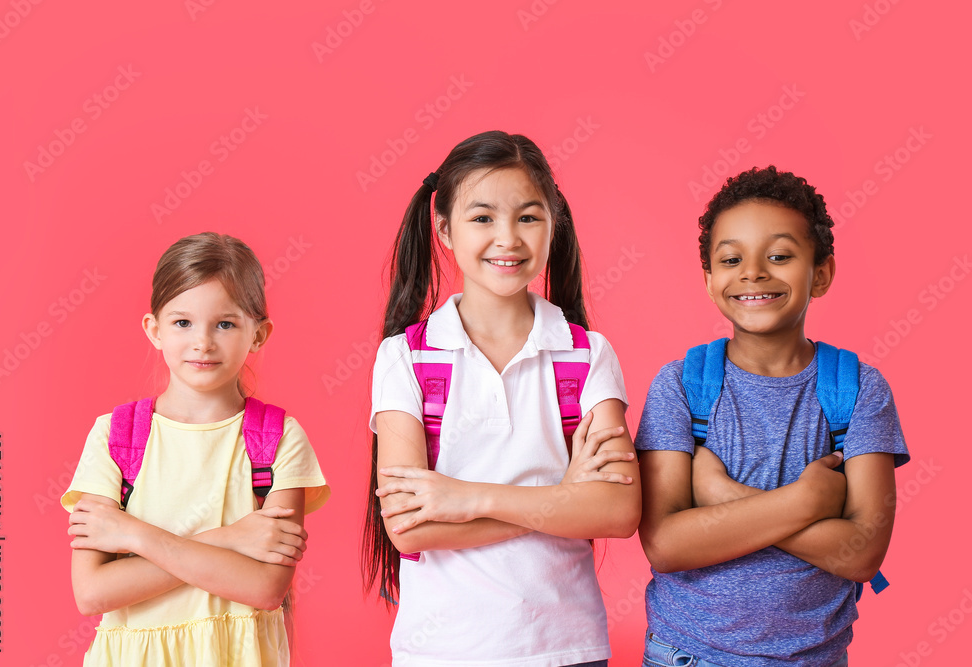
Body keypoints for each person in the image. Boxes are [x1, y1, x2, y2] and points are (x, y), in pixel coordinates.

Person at [362, 130, 641, 666]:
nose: (508, 238)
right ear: (444, 228)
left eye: (529, 217)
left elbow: (618, 510)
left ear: (553, 225)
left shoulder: (587, 355)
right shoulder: (405, 358)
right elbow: (410, 527)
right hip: (441, 651)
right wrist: (562, 498)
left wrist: (468, 498)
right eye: (483, 217)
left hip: (567, 646)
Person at [634, 166, 909, 666]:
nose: (753, 272)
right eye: (731, 259)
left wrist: (723, 495)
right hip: (689, 654)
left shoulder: (858, 390)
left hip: (815, 657)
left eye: (779, 256)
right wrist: (805, 504)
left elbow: (863, 554)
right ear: (709, 279)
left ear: (821, 273)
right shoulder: (680, 386)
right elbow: (665, 544)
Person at [63, 232, 329, 667]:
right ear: (154, 329)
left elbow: (264, 588)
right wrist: (228, 540)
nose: (202, 342)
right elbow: (93, 592)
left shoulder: (279, 438)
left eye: (225, 324)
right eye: (182, 323)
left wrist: (133, 536)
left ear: (258, 334)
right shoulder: (114, 436)